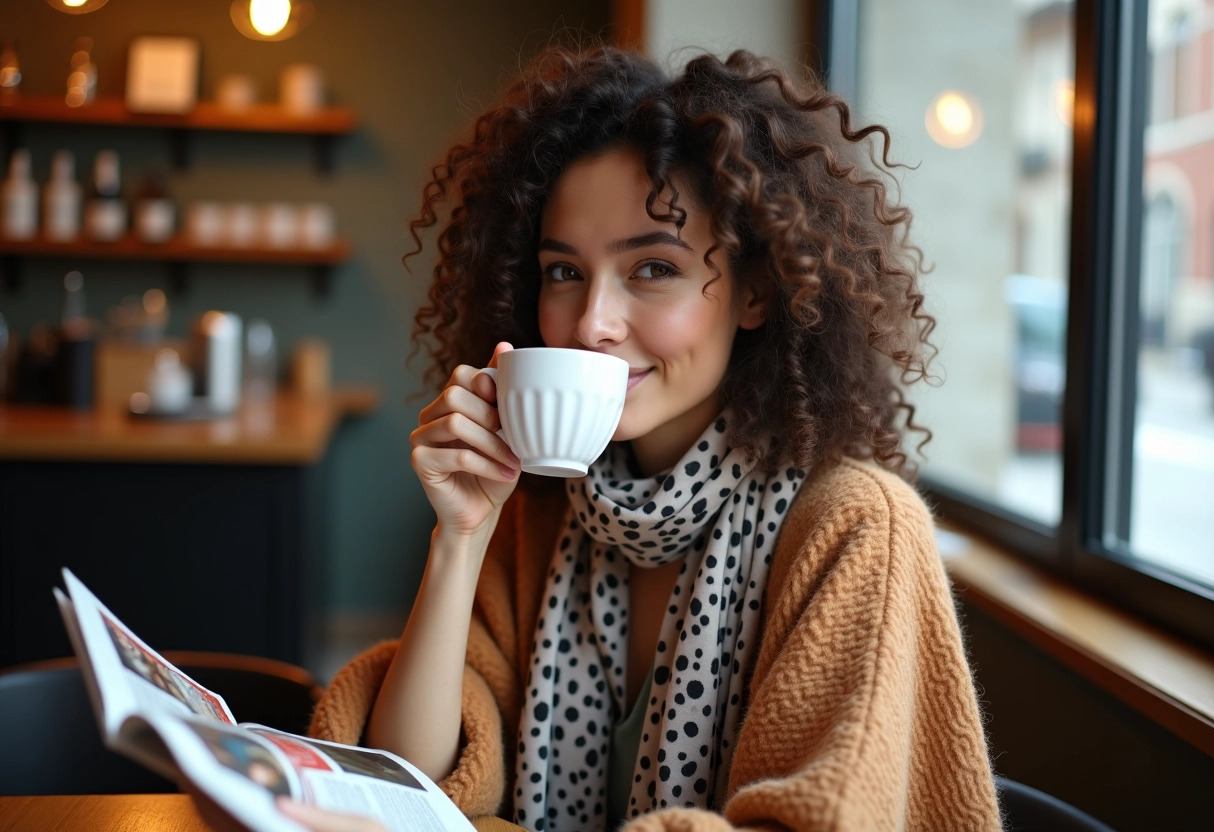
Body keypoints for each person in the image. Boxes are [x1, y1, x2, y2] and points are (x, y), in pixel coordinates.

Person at [303, 44, 1002, 832]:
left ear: (757, 291)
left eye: (653, 269)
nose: (592, 324)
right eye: (564, 273)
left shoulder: (854, 527)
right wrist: (460, 539)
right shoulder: (540, 511)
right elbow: (412, 785)